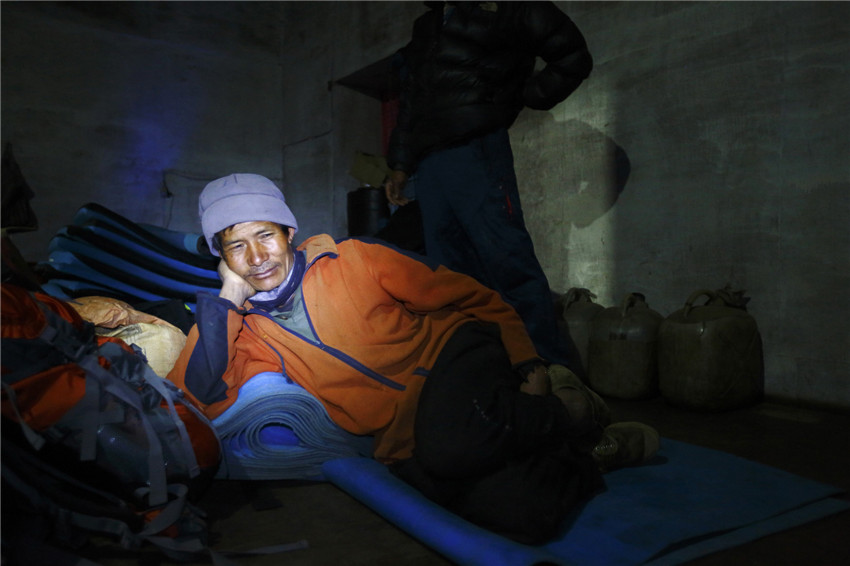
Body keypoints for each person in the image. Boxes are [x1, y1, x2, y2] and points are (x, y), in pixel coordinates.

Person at [168, 173, 658, 544]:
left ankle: (569, 409)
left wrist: (527, 361)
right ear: (222, 259)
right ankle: (589, 452)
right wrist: (227, 302)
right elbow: (198, 393)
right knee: (519, 514)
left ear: (289, 232)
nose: (256, 257)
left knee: (450, 447)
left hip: (453, 357)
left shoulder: (355, 259)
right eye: (236, 246)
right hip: (406, 431)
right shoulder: (250, 330)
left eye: (265, 235)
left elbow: (474, 296)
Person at [384, 1, 592, 369]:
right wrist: (399, 165)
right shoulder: (427, 26)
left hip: (476, 149)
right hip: (430, 162)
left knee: (507, 261)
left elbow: (572, 56)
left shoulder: (505, 6)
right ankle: (486, 370)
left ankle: (553, 372)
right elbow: (412, 98)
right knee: (451, 277)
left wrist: (524, 95)